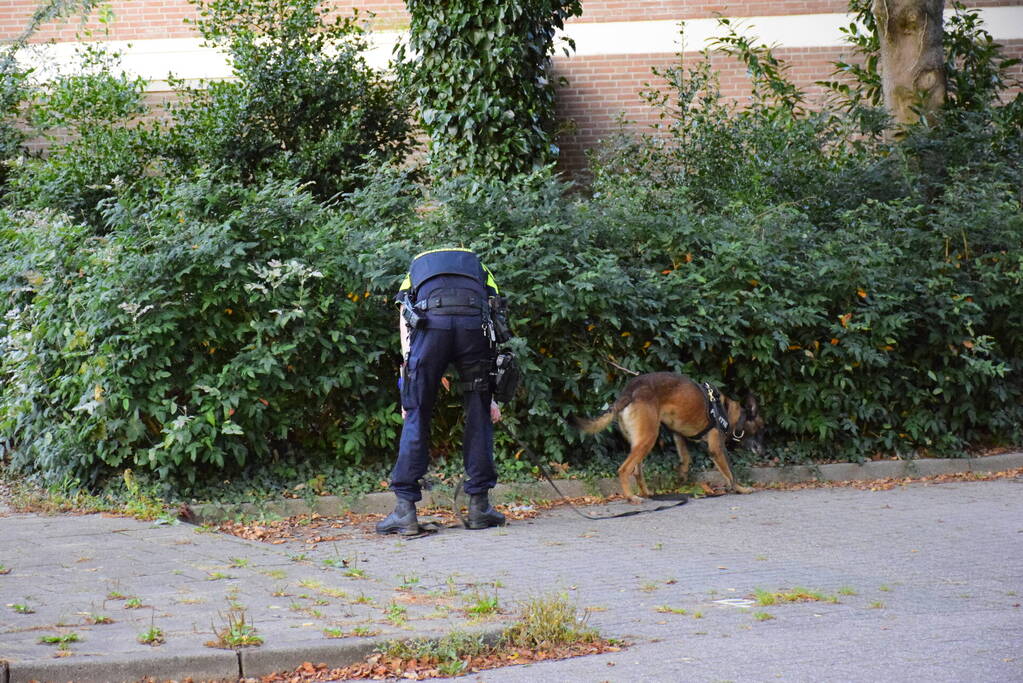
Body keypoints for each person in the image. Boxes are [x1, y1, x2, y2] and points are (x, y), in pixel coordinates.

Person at [376, 247, 506, 535]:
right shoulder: (480, 268)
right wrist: (491, 397)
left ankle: (405, 510)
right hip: (473, 330)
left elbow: (405, 318)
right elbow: (495, 318)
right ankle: (479, 507)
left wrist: (409, 386)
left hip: (428, 328)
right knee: (479, 413)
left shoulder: (416, 270)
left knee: (416, 414)